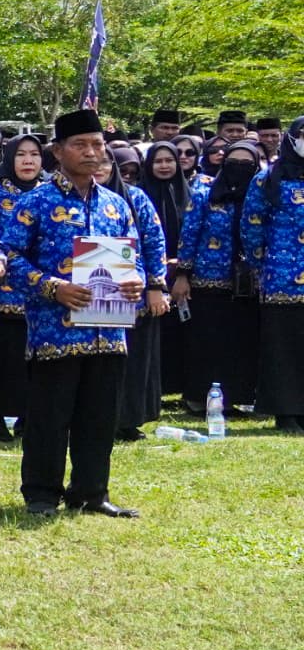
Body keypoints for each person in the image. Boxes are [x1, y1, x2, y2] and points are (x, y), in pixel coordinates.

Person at [2, 107, 165, 515]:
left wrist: (137, 280)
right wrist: (51, 287)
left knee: (99, 416)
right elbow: (8, 257)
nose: (92, 152)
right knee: (50, 416)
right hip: (54, 328)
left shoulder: (116, 205)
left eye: (97, 144)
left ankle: (92, 492)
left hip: (109, 330)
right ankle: (42, 493)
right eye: (80, 145)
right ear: (58, 151)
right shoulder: (35, 202)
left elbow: (134, 256)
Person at [181, 139, 263, 413]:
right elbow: (189, 234)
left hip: (248, 283)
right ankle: (197, 397)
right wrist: (183, 274)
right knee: (207, 340)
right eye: (233, 162)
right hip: (207, 280)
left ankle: (235, 396)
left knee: (239, 341)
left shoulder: (261, 197)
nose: (239, 168)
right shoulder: (204, 194)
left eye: (246, 164)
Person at [0, 133, 46, 440]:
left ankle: (27, 418)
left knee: (32, 361)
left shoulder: (50, 195)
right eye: (21, 154)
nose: (28, 161)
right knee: (0, 359)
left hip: (40, 293)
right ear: (9, 158)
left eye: (34, 154)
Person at [127, 139, 191, 435]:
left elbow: (156, 240)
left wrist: (180, 269)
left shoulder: (191, 193)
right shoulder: (134, 195)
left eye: (170, 160)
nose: (165, 166)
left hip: (172, 279)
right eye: (158, 161)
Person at [251, 118, 304, 430]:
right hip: (281, 277)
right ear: (291, 139)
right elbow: (252, 224)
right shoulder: (268, 178)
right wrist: (261, 265)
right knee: (283, 348)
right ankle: (286, 412)